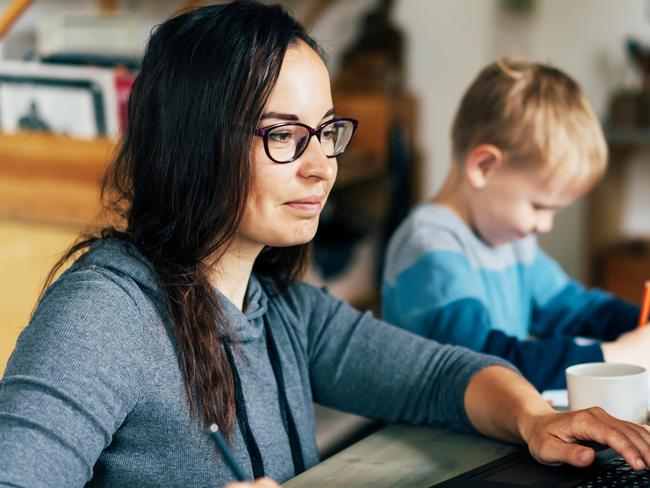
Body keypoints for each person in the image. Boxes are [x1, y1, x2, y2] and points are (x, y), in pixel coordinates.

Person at [1, 4, 650, 487]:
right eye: (285, 136)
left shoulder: (282, 308)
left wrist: (533, 420)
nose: (323, 167)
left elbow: (438, 375)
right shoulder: (105, 314)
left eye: (326, 133)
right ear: (196, 143)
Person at [382, 58, 646, 392]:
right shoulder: (429, 245)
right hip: (425, 437)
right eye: (538, 205)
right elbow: (488, 363)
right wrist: (613, 354)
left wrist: (638, 322)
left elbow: (572, 308)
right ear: (484, 167)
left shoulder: (510, 238)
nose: (545, 224)